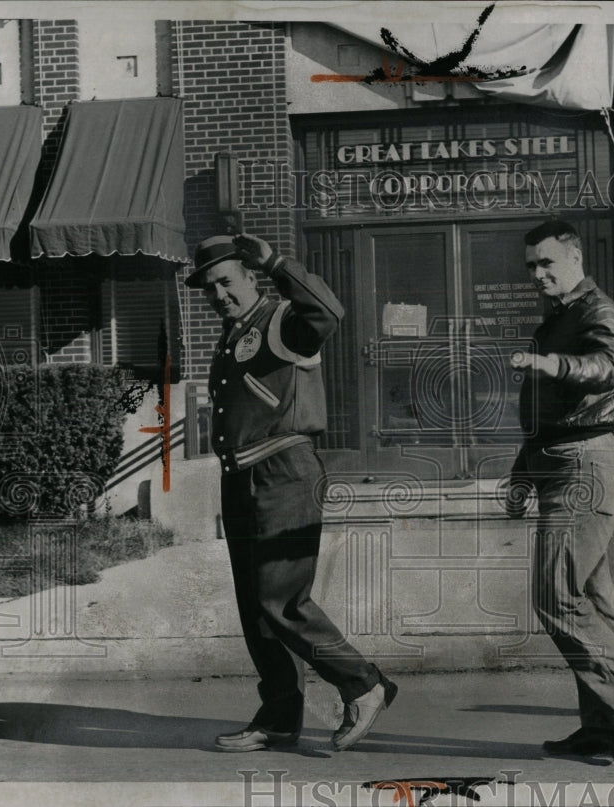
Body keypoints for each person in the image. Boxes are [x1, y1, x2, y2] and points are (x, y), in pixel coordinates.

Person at [185, 232, 397, 753]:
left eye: (227, 282)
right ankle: (280, 715)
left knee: (281, 599)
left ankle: (364, 683)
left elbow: (328, 310)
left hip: (285, 473)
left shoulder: (282, 321)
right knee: (256, 609)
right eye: (209, 288)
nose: (219, 295)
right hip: (242, 478)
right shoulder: (234, 333)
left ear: (249, 276)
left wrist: (279, 262)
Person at [506, 219, 614, 759]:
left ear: (575, 260)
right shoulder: (559, 318)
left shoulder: (598, 312)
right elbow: (546, 414)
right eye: (531, 265)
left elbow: (611, 366)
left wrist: (552, 363)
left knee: (555, 595)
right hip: (560, 464)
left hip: (585, 468)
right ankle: (602, 727)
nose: (537, 274)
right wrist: (522, 473)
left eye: (547, 263)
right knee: (592, 606)